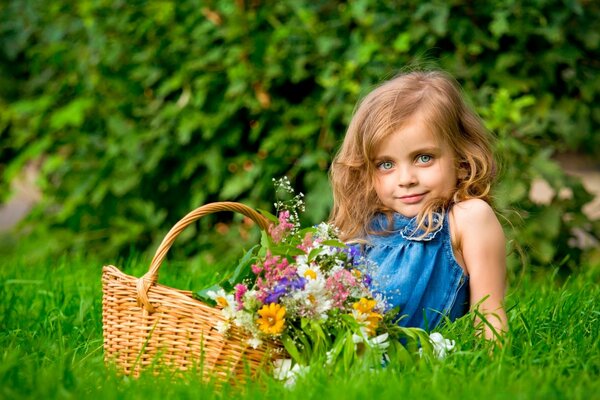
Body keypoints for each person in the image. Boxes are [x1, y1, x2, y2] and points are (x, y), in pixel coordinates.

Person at [329, 70, 508, 340]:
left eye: (424, 158)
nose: (406, 179)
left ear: (461, 161)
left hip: (419, 364)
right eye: (386, 164)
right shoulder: (366, 228)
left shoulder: (467, 219)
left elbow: (489, 315)